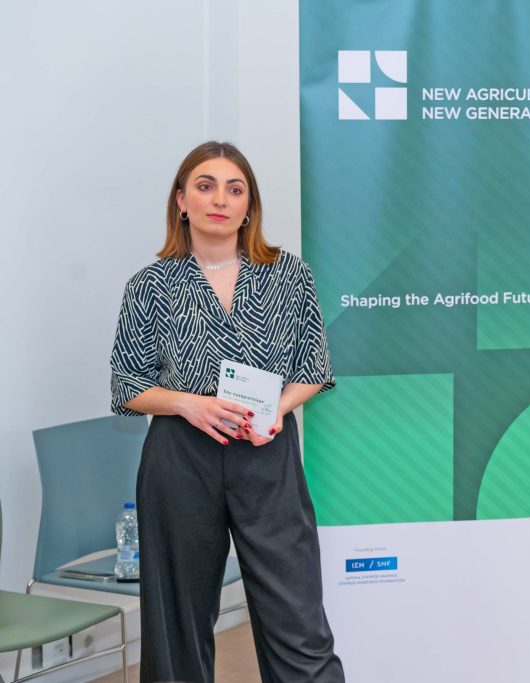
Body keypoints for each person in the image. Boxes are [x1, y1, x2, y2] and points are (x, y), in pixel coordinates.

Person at [110, 141, 345, 683]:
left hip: (266, 453)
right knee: (178, 620)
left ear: (249, 205)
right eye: (206, 186)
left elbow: (315, 367)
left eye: (235, 189)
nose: (220, 199)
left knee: (297, 617)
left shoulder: (289, 275)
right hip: (180, 457)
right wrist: (188, 404)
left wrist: (276, 411)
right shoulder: (150, 285)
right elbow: (127, 384)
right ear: (181, 200)